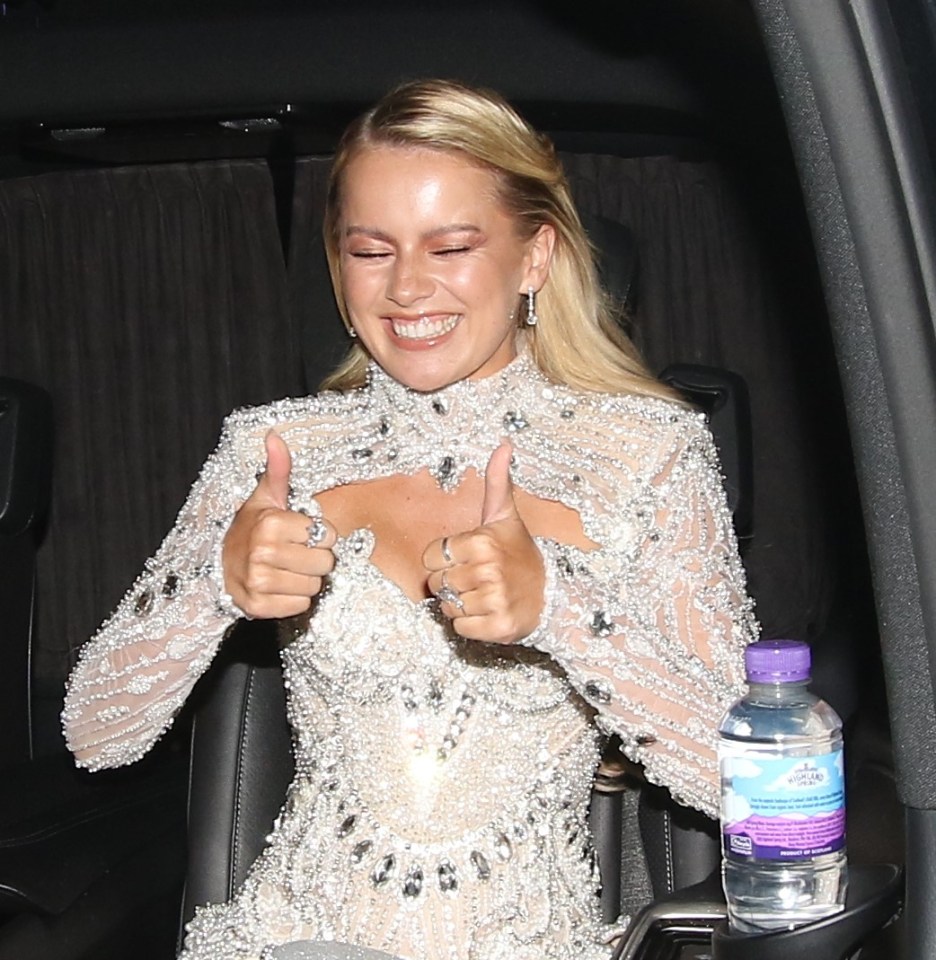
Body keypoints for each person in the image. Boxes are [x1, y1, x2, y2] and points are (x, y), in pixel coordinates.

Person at [62, 79, 757, 960]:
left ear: (535, 256)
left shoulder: (647, 455)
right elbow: (96, 736)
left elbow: (762, 791)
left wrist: (565, 616)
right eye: (370, 249)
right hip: (298, 942)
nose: (407, 287)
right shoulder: (274, 453)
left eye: (452, 245)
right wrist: (213, 588)